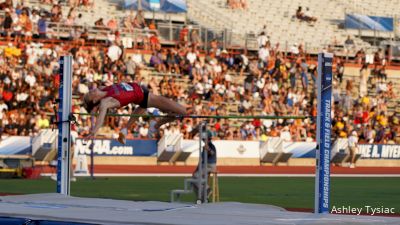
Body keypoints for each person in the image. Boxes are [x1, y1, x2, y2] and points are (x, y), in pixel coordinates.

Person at [82, 82, 186, 144]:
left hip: (142, 94)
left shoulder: (102, 88)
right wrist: (93, 132)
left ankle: (127, 129)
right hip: (147, 97)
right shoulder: (106, 102)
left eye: (90, 91)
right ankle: (156, 125)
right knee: (183, 111)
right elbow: (100, 118)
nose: (92, 90)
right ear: (95, 100)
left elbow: (91, 107)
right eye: (91, 93)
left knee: (173, 113)